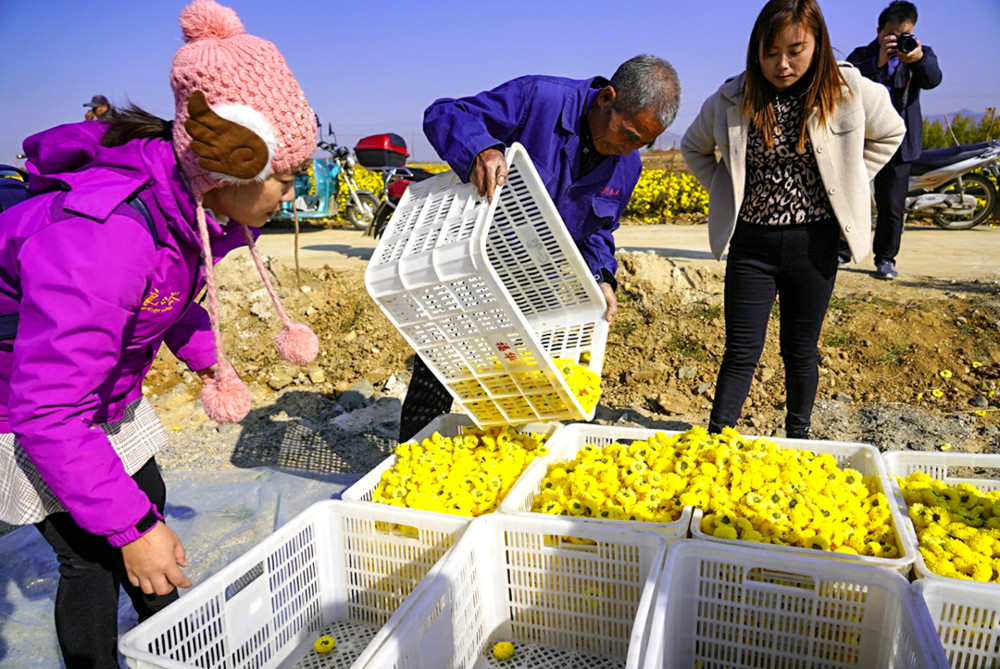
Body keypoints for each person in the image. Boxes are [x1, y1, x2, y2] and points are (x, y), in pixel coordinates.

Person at [0, 1, 319, 666]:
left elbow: (167, 296)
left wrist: (207, 358)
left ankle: (171, 642)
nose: (290, 194)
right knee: (91, 553)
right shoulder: (104, 238)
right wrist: (131, 530)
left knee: (146, 499)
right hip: (30, 403)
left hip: (101, 392)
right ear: (236, 161)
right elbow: (49, 410)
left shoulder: (190, 206)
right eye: (285, 176)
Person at [397, 54, 681, 442]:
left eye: (643, 144)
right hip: (471, 267)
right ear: (606, 98)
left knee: (517, 381)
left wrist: (601, 277)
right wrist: (482, 149)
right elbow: (445, 113)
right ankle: (414, 453)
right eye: (629, 135)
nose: (630, 149)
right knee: (441, 368)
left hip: (532, 286)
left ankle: (493, 463)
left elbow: (598, 230)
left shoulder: (626, 166)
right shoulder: (540, 100)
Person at [681, 0, 904, 439]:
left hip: (813, 245)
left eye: (795, 50)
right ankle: (715, 440)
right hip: (752, 246)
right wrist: (728, 193)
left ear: (817, 42)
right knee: (741, 351)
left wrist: (854, 178)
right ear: (755, 52)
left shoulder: (849, 89)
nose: (781, 64)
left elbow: (891, 132)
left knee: (800, 350)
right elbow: (694, 148)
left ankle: (797, 439)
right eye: (769, 53)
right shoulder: (734, 96)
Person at [847, 0, 942, 280]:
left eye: (905, 35)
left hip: (900, 142)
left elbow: (933, 79)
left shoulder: (920, 55)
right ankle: (841, 247)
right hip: (860, 141)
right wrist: (876, 64)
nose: (899, 41)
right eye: (892, 36)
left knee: (892, 205)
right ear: (879, 32)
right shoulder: (861, 55)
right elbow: (843, 83)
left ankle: (885, 259)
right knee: (849, 196)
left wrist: (918, 59)